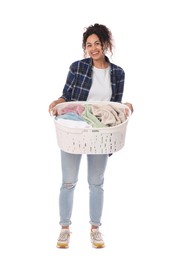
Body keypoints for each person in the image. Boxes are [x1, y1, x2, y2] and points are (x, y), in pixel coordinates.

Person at [48, 23, 133, 249]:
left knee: (96, 183)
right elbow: (67, 95)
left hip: (100, 133)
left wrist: (125, 106)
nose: (93, 48)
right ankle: (64, 228)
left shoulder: (118, 73)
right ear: (84, 48)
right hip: (75, 130)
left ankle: (95, 229)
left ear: (106, 44)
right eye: (89, 45)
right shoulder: (77, 67)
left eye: (97, 43)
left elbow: (114, 105)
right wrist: (58, 102)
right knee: (68, 182)